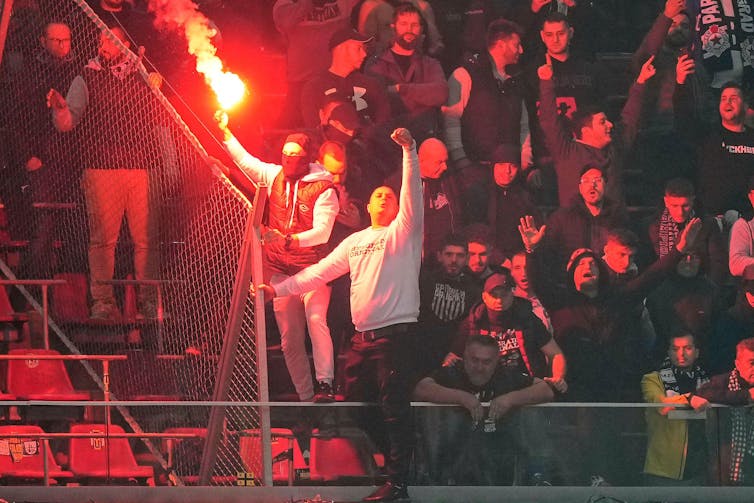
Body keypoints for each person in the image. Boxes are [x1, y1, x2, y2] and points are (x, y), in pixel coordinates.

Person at [258, 128, 421, 502]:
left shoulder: (404, 233)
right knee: (357, 407)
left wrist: (409, 152)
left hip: (394, 337)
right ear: (367, 206)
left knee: (395, 411)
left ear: (398, 207)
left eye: (389, 195)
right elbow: (319, 272)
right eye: (377, 194)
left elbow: (413, 195)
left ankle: (398, 482)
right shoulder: (356, 240)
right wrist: (277, 289)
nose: (383, 197)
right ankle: (391, 468)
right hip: (363, 340)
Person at [214, 113, 339, 404]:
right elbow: (246, 162)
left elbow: (322, 232)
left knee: (316, 318)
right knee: (289, 340)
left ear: (307, 156)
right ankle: (307, 398)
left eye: (295, 154)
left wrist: (289, 240)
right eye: (285, 153)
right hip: (281, 269)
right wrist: (224, 132)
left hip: (312, 269)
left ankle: (326, 384)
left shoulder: (324, 188)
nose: (289, 158)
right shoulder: (274, 176)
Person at [48, 26, 159, 320]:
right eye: (100, 41)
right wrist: (60, 109)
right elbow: (67, 122)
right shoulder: (87, 76)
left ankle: (149, 303)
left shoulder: (141, 76)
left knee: (145, 240)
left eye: (110, 41)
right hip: (101, 168)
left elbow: (160, 120)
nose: (103, 46)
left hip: (140, 167)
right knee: (103, 241)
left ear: (126, 45)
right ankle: (103, 302)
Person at [413, 334, 554, 485]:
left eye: (486, 362)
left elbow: (546, 390)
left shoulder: (506, 375)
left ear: (497, 361)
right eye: (474, 360)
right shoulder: (453, 373)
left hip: (498, 456)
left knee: (531, 415)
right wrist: (461, 397)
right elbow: (421, 389)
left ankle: (537, 476)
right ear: (465, 357)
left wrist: (510, 399)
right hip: (453, 458)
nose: (479, 367)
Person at [537, 49, 657, 206]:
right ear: (586, 131)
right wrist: (546, 83)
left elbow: (630, 118)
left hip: (613, 226)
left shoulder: (615, 148)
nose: (610, 124)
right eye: (602, 122)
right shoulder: (566, 152)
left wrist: (641, 81)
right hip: (577, 227)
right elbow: (550, 121)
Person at [443, 18, 532, 222]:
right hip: (473, 173)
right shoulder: (465, 74)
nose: (521, 50)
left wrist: (526, 164)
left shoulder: (516, 82)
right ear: (501, 44)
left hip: (510, 178)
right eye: (516, 44)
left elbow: (524, 127)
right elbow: (450, 121)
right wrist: (462, 162)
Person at [14, 21, 81, 280]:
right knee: (43, 229)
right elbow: (16, 120)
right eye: (55, 40)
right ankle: (32, 293)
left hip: (72, 160)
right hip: (42, 160)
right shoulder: (30, 73)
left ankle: (68, 295)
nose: (62, 46)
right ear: (43, 41)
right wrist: (28, 156)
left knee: (75, 230)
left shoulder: (78, 71)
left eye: (66, 40)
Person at [449, 271, 567, 393]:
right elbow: (452, 357)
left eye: (504, 294)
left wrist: (558, 378)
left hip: (525, 387)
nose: (499, 300)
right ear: (484, 296)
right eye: (494, 295)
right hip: (485, 389)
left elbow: (555, 353)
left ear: (512, 294)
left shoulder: (528, 318)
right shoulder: (472, 322)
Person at [675, 66, 754, 217]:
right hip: (712, 218)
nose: (727, 102)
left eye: (733, 98)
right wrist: (680, 83)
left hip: (748, 220)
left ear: (745, 106)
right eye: (723, 99)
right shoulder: (707, 134)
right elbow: (683, 120)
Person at [365, 2, 448, 142]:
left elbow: (441, 93)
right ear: (393, 27)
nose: (409, 30)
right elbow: (378, 100)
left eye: (414, 25)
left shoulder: (430, 64)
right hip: (389, 142)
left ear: (421, 29)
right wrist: (423, 98)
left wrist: (400, 89)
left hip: (423, 141)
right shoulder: (376, 64)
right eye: (403, 24)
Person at [272, 0, 359, 127]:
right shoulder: (285, 5)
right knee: (287, 132)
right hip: (301, 83)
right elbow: (285, 22)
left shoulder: (348, 3)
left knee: (345, 129)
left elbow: (363, 25)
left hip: (339, 79)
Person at [538, 165, 629, 284]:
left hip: (609, 285)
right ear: (580, 188)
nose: (592, 185)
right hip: (572, 285)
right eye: (586, 181)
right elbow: (548, 256)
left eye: (597, 180)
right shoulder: (561, 218)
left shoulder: (619, 218)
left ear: (605, 185)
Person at [642, 332, 710, 485]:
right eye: (675, 349)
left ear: (697, 352)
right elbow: (661, 405)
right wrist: (689, 398)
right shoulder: (652, 379)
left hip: (699, 465)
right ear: (668, 352)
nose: (681, 354)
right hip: (664, 468)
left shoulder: (707, 381)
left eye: (687, 348)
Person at [300, 28, 391, 129]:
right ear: (341, 49)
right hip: (331, 143)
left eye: (364, 49)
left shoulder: (371, 84)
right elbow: (314, 127)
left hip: (368, 143)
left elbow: (384, 124)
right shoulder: (315, 87)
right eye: (358, 48)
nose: (364, 54)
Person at [648, 177, 726, 287]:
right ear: (666, 201)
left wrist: (710, 290)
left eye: (685, 206)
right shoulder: (654, 227)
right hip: (665, 288)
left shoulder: (707, 224)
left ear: (693, 200)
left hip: (701, 285)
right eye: (674, 206)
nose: (680, 212)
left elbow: (718, 262)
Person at [697, 337, 754, 485]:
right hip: (726, 466)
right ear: (737, 364)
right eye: (752, 363)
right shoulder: (723, 382)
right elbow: (703, 393)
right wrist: (746, 396)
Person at [418, 234, 480, 369]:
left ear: (467, 258)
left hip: (456, 356)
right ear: (439, 256)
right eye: (449, 254)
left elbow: (470, 325)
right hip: (422, 351)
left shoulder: (473, 289)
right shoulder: (426, 281)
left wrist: (456, 350)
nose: (454, 260)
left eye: (460, 255)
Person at [487, 143, 542, 259]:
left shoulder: (526, 196)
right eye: (501, 165)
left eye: (513, 165)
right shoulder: (481, 193)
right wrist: (499, 260)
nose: (507, 171)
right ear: (493, 166)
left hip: (520, 260)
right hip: (489, 260)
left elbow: (535, 233)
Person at [416, 137, 462, 260]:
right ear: (420, 161)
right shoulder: (401, 185)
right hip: (420, 260)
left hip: (450, 258)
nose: (445, 167)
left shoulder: (449, 178)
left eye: (445, 161)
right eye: (439, 162)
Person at [506, 250, 553, 336]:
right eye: (517, 268)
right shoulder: (505, 300)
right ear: (511, 272)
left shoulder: (548, 300)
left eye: (528, 267)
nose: (524, 273)